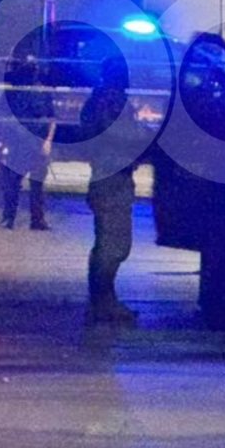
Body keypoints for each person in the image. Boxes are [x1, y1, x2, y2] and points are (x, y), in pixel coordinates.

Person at [80, 56, 143, 326]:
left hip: (109, 176)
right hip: (111, 179)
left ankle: (104, 302)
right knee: (113, 246)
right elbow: (119, 136)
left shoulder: (103, 100)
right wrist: (144, 138)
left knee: (109, 244)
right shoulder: (110, 102)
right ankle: (102, 303)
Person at [0, 55, 53, 230]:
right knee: (13, 183)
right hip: (19, 142)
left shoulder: (40, 92)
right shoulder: (13, 92)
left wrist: (48, 141)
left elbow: (51, 118)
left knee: (32, 184)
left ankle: (35, 219)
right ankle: (11, 218)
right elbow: (4, 117)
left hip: (33, 142)